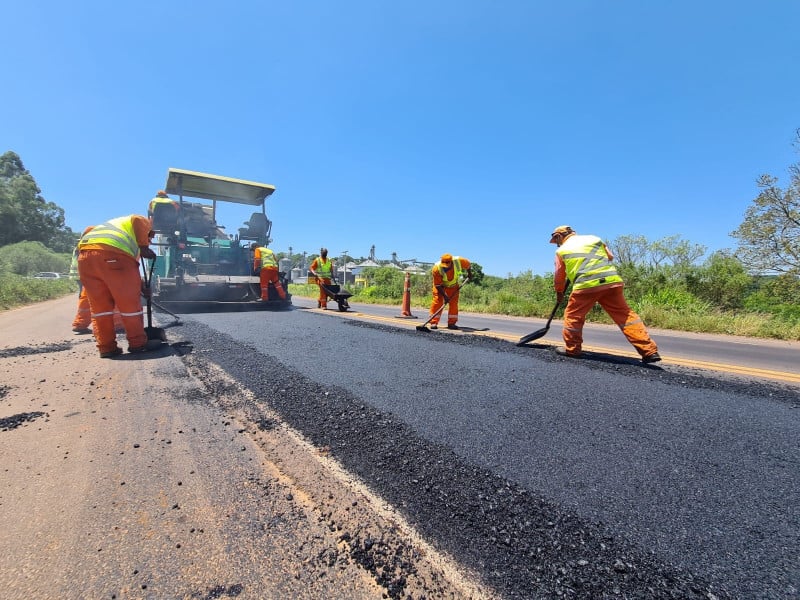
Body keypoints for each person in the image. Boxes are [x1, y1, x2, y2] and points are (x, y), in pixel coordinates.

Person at [549, 225, 661, 363]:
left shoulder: (562, 251)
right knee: (626, 317)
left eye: (556, 241)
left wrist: (559, 292)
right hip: (611, 282)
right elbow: (610, 256)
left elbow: (559, 277)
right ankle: (649, 351)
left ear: (559, 237)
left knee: (573, 317)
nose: (557, 244)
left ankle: (572, 349)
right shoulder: (594, 239)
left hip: (586, 286)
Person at [77, 214, 160, 358]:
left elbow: (127, 277)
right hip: (112, 256)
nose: (150, 242)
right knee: (129, 305)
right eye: (150, 238)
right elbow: (137, 220)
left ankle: (107, 347)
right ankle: (137, 343)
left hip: (85, 260)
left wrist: (141, 287)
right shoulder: (139, 225)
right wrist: (144, 247)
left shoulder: (115, 232)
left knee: (100, 309)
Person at [428, 253, 472, 330]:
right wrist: (445, 296)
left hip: (453, 286)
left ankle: (451, 323)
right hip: (440, 286)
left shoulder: (459, 261)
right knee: (437, 302)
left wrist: (469, 273)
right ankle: (433, 322)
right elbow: (438, 285)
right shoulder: (436, 268)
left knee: (453, 304)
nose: (445, 268)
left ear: (451, 262)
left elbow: (468, 265)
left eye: (447, 266)